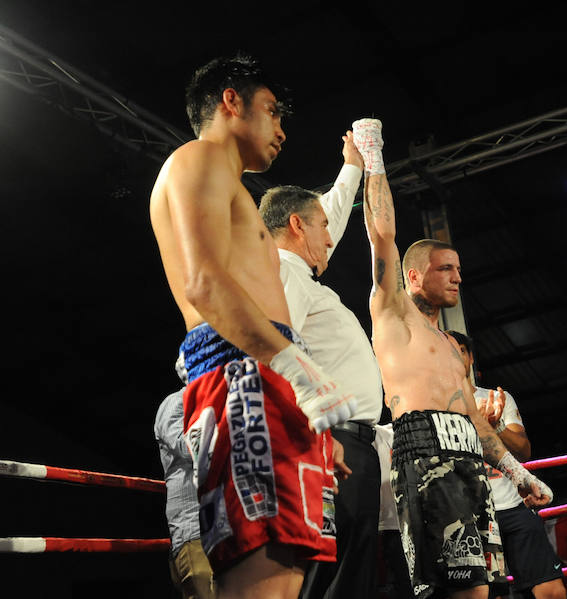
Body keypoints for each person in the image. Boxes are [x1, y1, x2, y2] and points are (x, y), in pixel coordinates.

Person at [149, 54, 354, 599]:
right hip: (244, 373)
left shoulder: (234, 189)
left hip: (267, 376)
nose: (281, 130)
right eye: (272, 111)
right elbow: (204, 285)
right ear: (230, 101)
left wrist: (302, 395)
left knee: (286, 576)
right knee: (259, 584)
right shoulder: (199, 159)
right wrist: (297, 370)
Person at [355, 116, 553, 599]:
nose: (457, 277)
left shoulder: (450, 347)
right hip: (423, 451)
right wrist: (374, 157)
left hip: (468, 455)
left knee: (480, 589)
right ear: (415, 276)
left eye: (459, 269)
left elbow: (479, 424)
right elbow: (382, 236)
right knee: (445, 590)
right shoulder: (393, 312)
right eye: (446, 268)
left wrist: (518, 473)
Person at [258, 133, 385, 599]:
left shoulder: (295, 268)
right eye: (322, 228)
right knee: (331, 571)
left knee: (343, 569)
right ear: (296, 225)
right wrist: (317, 435)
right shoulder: (286, 271)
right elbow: (273, 346)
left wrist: (351, 169)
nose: (331, 237)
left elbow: (323, 212)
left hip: (346, 441)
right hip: (332, 439)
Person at [447, 330, 566, 599]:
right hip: (470, 513)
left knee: (552, 590)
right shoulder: (435, 405)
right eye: (449, 351)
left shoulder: (497, 398)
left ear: (470, 357)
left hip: (513, 506)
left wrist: (494, 427)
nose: (455, 356)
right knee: (490, 594)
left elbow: (523, 450)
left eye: (461, 350)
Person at [155, 388, 216, 599]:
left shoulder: (225, 401)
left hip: (224, 531)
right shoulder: (175, 403)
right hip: (194, 532)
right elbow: (187, 447)